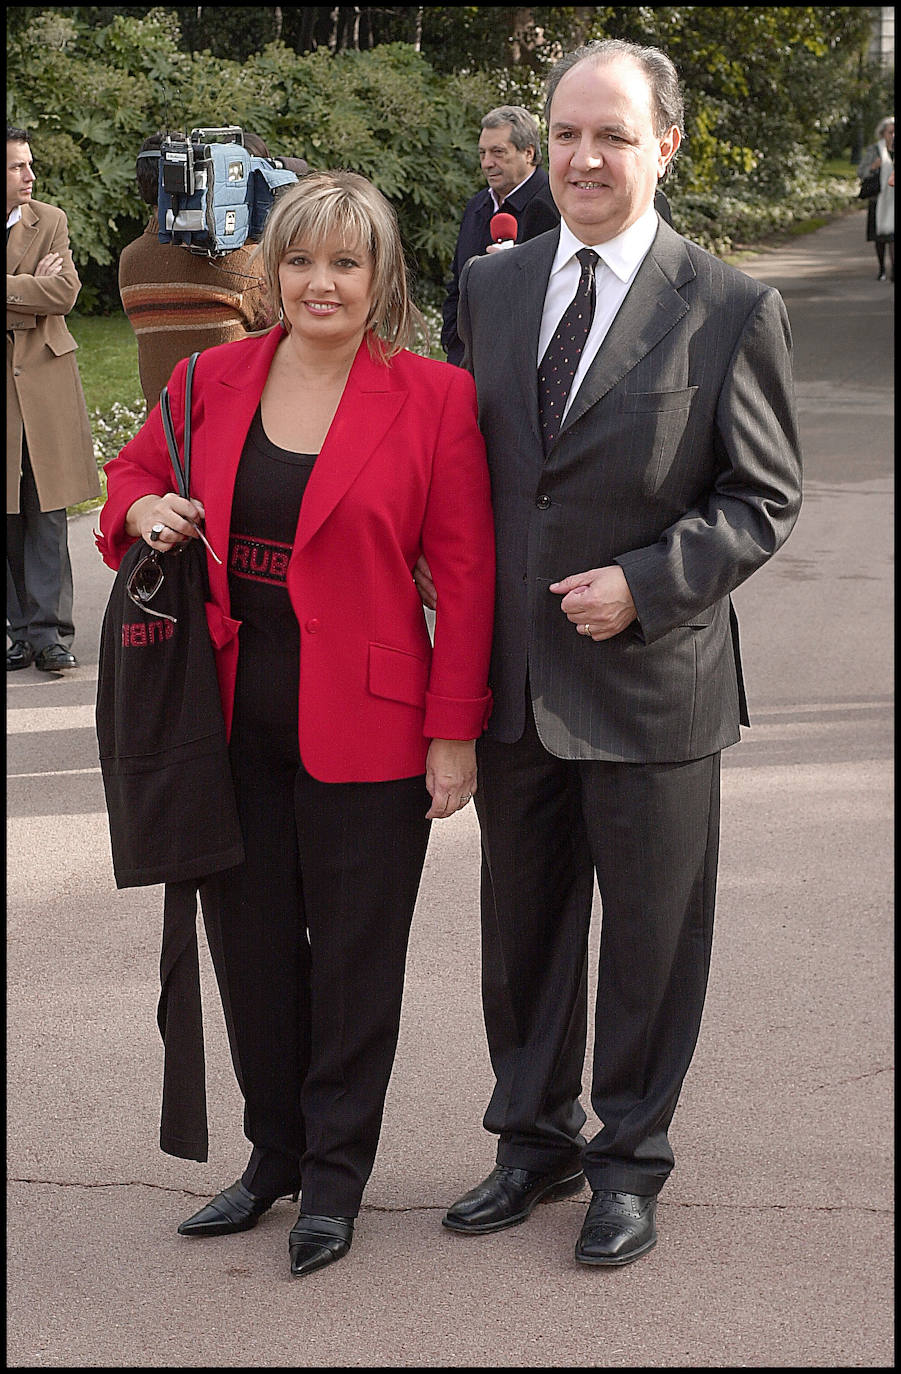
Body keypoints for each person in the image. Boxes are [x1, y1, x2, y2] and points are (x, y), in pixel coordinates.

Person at [416, 38, 802, 1267]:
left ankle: (627, 1163)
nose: (584, 157)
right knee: (521, 933)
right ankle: (530, 1142)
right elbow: (462, 466)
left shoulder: (729, 304)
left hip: (653, 686)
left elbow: (762, 498)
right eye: (568, 132)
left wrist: (645, 585)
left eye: (613, 136)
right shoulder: (492, 286)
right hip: (516, 684)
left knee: (648, 941)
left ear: (664, 146)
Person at [96, 169, 495, 1278]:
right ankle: (273, 1154)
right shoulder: (213, 379)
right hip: (224, 720)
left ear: (382, 279)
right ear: (272, 273)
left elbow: (465, 579)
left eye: (346, 263)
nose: (321, 282)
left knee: (356, 961)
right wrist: (139, 506)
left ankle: (335, 1176)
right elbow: (128, 474)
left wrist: (452, 730)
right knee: (253, 952)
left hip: (371, 724)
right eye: (302, 260)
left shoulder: (433, 398)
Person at [7, 124, 99, 672]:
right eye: (18, 166)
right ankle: (16, 632)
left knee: (45, 506)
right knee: (7, 511)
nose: (30, 175)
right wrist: (26, 288)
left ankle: (50, 635)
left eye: (30, 164)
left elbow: (63, 294)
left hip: (42, 381)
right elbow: (42, 295)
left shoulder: (52, 221)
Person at [118, 132, 278, 412]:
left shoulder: (130, 259)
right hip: (234, 427)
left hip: (164, 428)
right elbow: (282, 333)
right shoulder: (242, 262)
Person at [440, 106, 560, 366]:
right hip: (466, 361)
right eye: (482, 153)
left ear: (528, 153)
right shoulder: (476, 206)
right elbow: (457, 283)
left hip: (521, 365)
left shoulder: (557, 205)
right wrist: (452, 340)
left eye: (498, 152)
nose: (487, 163)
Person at [858, 116, 894, 281]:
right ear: (882, 134)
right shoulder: (874, 150)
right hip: (878, 199)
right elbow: (861, 172)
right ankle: (882, 269)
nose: (893, 136)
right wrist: (873, 167)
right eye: (890, 132)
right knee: (880, 238)